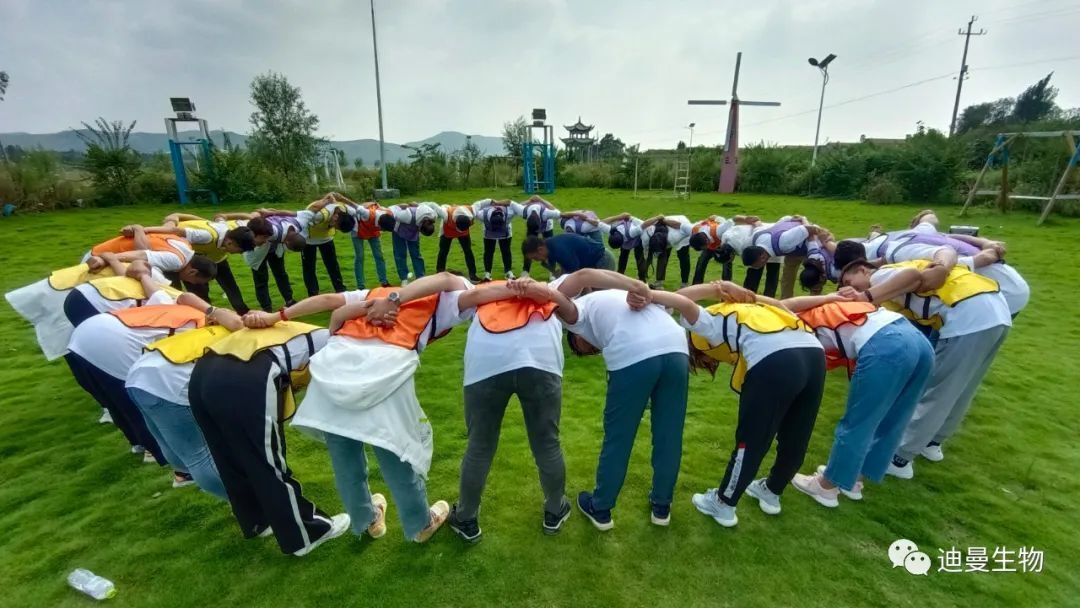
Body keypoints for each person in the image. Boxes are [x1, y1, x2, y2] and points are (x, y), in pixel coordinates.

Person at [242, 273, 527, 545]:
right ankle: (419, 524)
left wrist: (278, 316)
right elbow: (452, 282)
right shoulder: (444, 299)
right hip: (383, 373)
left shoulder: (371, 294)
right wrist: (530, 287)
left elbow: (330, 303)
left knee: (344, 453)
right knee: (394, 452)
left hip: (335, 370)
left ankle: (366, 519)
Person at [662, 283, 825, 527]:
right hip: (814, 355)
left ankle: (723, 503)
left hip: (777, 360)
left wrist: (718, 287)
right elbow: (781, 304)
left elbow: (678, 299)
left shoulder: (710, 322)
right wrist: (747, 294)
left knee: (750, 440)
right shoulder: (759, 308)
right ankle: (772, 491)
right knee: (797, 434)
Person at [187, 318, 349, 556]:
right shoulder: (334, 343)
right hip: (245, 374)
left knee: (228, 455)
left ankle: (257, 520)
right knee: (266, 459)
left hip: (203, 372)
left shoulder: (302, 330)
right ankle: (305, 534)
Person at [839, 256, 1011, 479]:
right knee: (962, 386)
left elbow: (913, 278)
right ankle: (932, 443)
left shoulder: (881, 275)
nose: (850, 289)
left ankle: (900, 457)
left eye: (850, 282)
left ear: (864, 270)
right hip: (995, 312)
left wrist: (866, 296)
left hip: (967, 315)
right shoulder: (897, 284)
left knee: (937, 390)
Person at [546, 269, 689, 530]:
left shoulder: (578, 313)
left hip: (633, 352)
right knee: (669, 433)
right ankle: (661, 506)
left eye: (583, 349)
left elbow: (582, 277)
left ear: (576, 337)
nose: (592, 350)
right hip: (676, 347)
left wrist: (635, 283)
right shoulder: (618, 297)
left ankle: (600, 508)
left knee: (619, 437)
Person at [65, 272, 242, 479]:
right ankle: (176, 466)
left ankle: (156, 454)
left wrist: (212, 310)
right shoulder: (200, 332)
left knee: (121, 400)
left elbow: (181, 296)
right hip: (112, 342)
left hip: (88, 332)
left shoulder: (180, 307)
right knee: (148, 397)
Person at [445, 278, 571, 542]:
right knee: (547, 443)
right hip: (540, 362)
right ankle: (555, 509)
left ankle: (466, 517)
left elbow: (449, 284)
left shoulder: (478, 291)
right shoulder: (548, 286)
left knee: (480, 446)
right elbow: (585, 276)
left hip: (486, 363)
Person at [781, 293, 934, 507]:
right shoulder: (816, 308)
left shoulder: (787, 327)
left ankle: (826, 488)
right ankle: (853, 480)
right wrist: (828, 296)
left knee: (859, 421)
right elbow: (787, 303)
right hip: (917, 340)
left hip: (887, 344)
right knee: (895, 419)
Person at [125, 324, 235, 498]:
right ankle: (246, 505)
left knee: (171, 442)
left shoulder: (220, 328)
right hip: (169, 383)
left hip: (137, 376)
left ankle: (184, 474)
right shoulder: (245, 345)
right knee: (199, 455)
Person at [143, 212, 268, 314]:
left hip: (215, 258)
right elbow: (174, 230)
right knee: (197, 289)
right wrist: (144, 230)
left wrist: (201, 221)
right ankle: (203, 315)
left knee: (231, 287)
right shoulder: (205, 236)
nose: (239, 254)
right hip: (185, 258)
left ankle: (242, 313)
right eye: (239, 251)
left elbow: (218, 217)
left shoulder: (232, 231)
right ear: (230, 242)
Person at [742, 216, 831, 299]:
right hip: (794, 250)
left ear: (762, 257)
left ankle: (814, 302)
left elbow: (811, 229)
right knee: (787, 277)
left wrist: (827, 239)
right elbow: (758, 225)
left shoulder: (784, 242)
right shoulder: (757, 237)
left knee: (813, 277)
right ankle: (786, 301)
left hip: (812, 246)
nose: (756, 268)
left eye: (756, 265)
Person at [377, 201, 441, 285]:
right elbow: (393, 213)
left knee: (415, 254)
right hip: (399, 230)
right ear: (420, 226)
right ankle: (404, 278)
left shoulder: (433, 216)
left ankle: (420, 277)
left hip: (413, 232)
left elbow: (424, 205)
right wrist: (384, 209)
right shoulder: (405, 215)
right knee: (400, 255)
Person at [521, 232, 615, 277]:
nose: (537, 260)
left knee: (598, 295)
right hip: (591, 262)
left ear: (540, 250)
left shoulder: (559, 250)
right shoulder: (549, 246)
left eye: (535, 258)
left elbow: (578, 276)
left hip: (602, 261)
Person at [641, 215, 694, 288]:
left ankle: (684, 283)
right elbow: (646, 252)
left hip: (683, 231)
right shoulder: (648, 233)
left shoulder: (674, 238)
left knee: (683, 257)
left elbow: (687, 233)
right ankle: (659, 282)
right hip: (666, 230)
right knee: (662, 256)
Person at [474, 199, 518, 281]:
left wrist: (499, 202)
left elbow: (515, 206)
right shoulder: (481, 215)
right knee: (488, 251)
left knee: (506, 251)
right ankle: (487, 273)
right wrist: (489, 201)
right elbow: (476, 206)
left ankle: (508, 271)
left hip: (505, 232)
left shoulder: (509, 214)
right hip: (489, 233)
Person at [351, 200, 391, 289]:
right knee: (360, 257)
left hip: (373, 230)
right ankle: (360, 286)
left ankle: (384, 282)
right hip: (358, 230)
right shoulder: (367, 213)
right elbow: (357, 207)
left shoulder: (388, 214)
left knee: (379, 255)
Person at [436, 202, 480, 281]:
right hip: (447, 230)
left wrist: (493, 202)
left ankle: (473, 274)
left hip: (463, 231)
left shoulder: (471, 213)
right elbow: (433, 206)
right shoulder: (445, 215)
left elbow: (482, 203)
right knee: (443, 251)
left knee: (468, 251)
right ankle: (440, 273)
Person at [519, 196, 562, 276]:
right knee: (528, 248)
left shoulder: (546, 210)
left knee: (549, 248)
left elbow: (554, 209)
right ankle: (526, 271)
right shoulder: (527, 208)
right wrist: (529, 200)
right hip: (533, 226)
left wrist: (541, 200)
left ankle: (552, 271)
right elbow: (517, 206)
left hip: (547, 226)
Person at [687, 215, 735, 285]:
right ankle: (697, 284)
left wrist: (726, 238)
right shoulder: (695, 230)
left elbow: (730, 222)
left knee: (726, 263)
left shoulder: (718, 230)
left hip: (722, 245)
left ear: (706, 242)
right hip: (710, 243)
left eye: (703, 247)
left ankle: (726, 285)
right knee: (701, 262)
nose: (703, 249)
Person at [599, 213, 647, 281]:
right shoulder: (610, 230)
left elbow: (644, 225)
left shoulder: (633, 231)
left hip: (637, 239)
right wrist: (619, 217)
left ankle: (641, 278)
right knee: (634, 258)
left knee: (636, 258)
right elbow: (600, 223)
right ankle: (621, 276)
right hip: (628, 238)